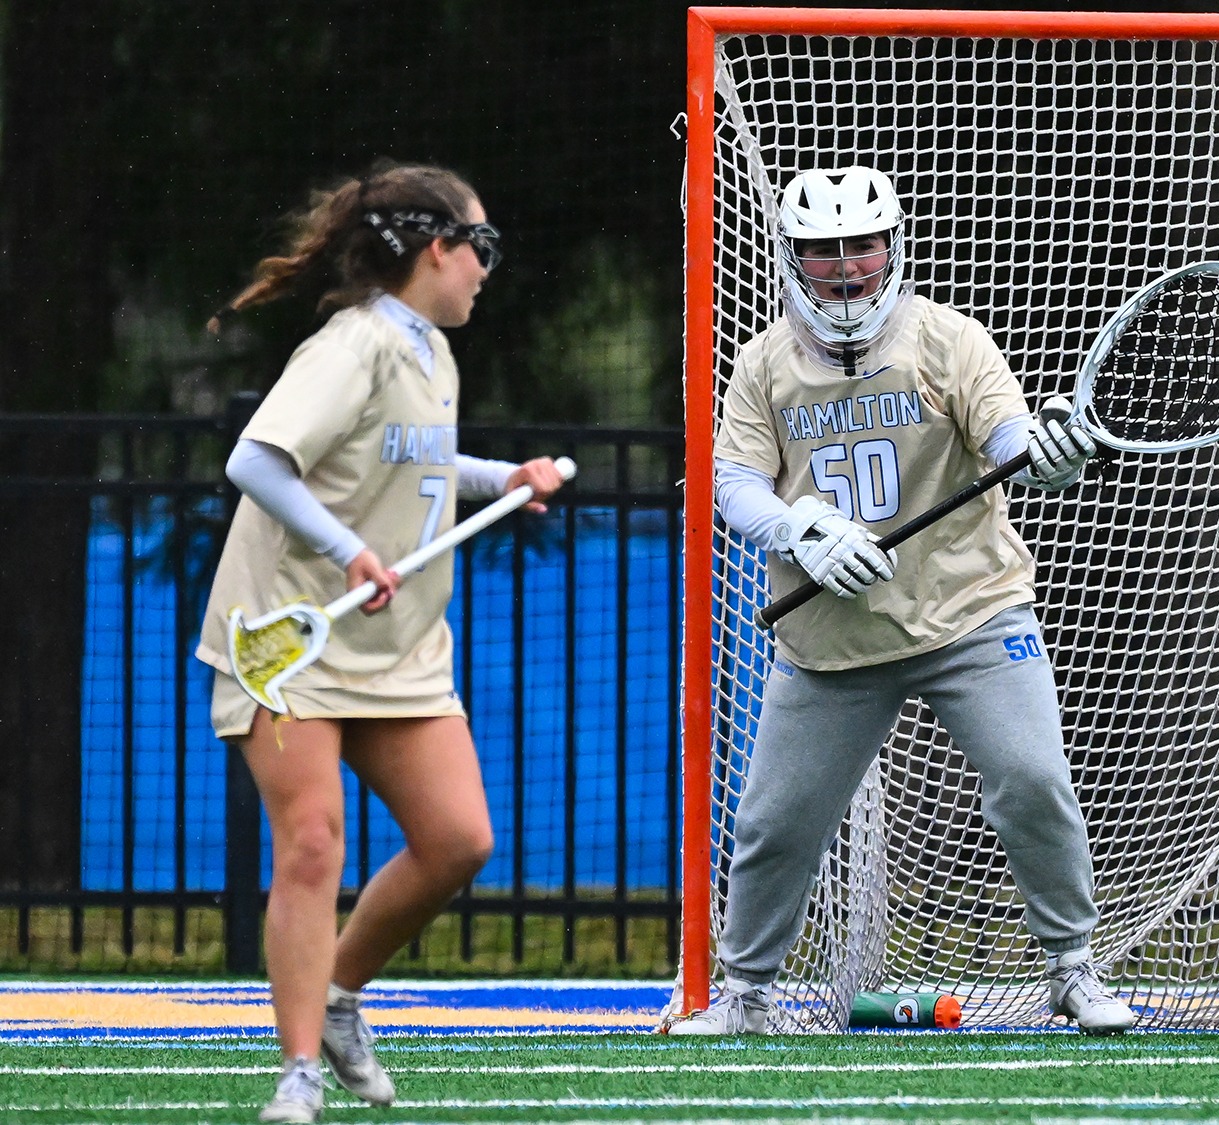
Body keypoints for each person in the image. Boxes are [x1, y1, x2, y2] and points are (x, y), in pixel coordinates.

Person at [661, 165, 1135, 1036]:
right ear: (793, 256)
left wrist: (1048, 450)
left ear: (892, 244)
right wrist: (801, 529)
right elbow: (733, 483)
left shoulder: (950, 339)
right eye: (822, 249)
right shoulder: (765, 362)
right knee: (776, 819)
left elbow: (1008, 437)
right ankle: (746, 992)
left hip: (971, 611)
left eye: (861, 244)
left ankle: (1072, 967)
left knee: (1033, 778)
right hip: (831, 637)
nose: (846, 266)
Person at [194, 162, 568, 1123]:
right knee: (313, 842)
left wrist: (503, 477)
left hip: (396, 649)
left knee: (457, 841)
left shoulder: (433, 353)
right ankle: (298, 1074)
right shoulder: (354, 343)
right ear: (434, 249)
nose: (487, 269)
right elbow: (256, 460)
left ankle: (340, 995)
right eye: (479, 247)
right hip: (288, 636)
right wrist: (349, 550)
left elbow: (416, 459)